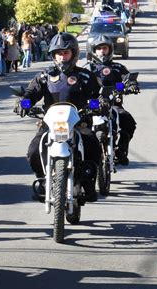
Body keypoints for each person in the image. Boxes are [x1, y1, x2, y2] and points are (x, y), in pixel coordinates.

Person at [15, 32, 102, 202]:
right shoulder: (45, 76)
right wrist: (23, 103)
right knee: (33, 151)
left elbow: (96, 96)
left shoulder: (85, 76)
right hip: (50, 125)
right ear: (53, 55)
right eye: (58, 53)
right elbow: (31, 93)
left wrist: (99, 104)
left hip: (78, 123)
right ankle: (42, 179)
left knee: (93, 145)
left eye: (66, 52)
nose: (62, 57)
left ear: (74, 53)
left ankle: (87, 181)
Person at [84, 35, 138, 165]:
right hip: (92, 106)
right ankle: (82, 156)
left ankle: (121, 150)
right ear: (94, 50)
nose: (102, 51)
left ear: (110, 50)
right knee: (80, 125)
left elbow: (127, 79)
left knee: (127, 120)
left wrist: (131, 85)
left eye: (105, 48)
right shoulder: (86, 69)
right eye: (99, 48)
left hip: (113, 104)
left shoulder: (118, 67)